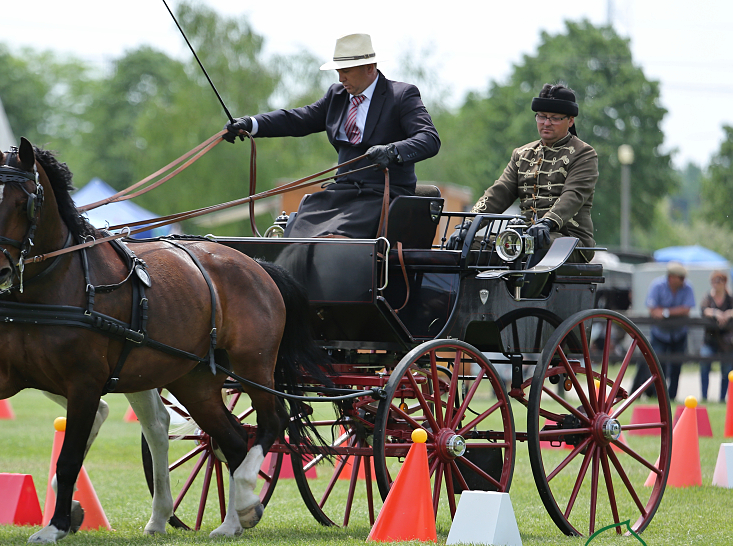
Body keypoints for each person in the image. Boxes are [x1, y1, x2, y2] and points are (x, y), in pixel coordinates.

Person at [223, 33, 440, 239]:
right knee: (297, 228)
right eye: (338, 70)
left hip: (382, 196)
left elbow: (429, 138)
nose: (340, 77)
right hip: (341, 193)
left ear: (369, 67)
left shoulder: (401, 95)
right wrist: (252, 124)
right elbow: (298, 119)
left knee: (333, 236)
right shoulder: (337, 95)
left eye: (346, 70)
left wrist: (393, 151)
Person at [449, 83, 597, 263]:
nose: (546, 123)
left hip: (569, 241)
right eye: (542, 117)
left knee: (531, 245)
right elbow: (499, 192)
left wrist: (547, 222)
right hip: (523, 238)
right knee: (465, 246)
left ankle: (521, 292)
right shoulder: (522, 154)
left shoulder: (584, 154)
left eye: (554, 118)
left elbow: (572, 196)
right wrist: (469, 226)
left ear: (570, 121)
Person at [631, 262, 696, 401]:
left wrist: (665, 312)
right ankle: (658, 396)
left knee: (676, 366)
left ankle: (671, 396)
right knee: (658, 366)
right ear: (672, 277)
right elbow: (652, 309)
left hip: (679, 334)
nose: (684, 280)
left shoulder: (687, 287)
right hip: (660, 334)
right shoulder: (657, 285)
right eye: (681, 277)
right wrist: (674, 312)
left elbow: (687, 309)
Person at [699, 270, 733, 402]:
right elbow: (703, 310)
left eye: (719, 281)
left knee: (726, 370)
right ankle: (704, 397)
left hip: (726, 342)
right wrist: (715, 313)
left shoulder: (730, 299)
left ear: (725, 282)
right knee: (704, 364)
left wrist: (729, 313)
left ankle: (722, 398)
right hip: (710, 340)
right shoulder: (708, 297)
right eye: (713, 281)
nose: (716, 284)